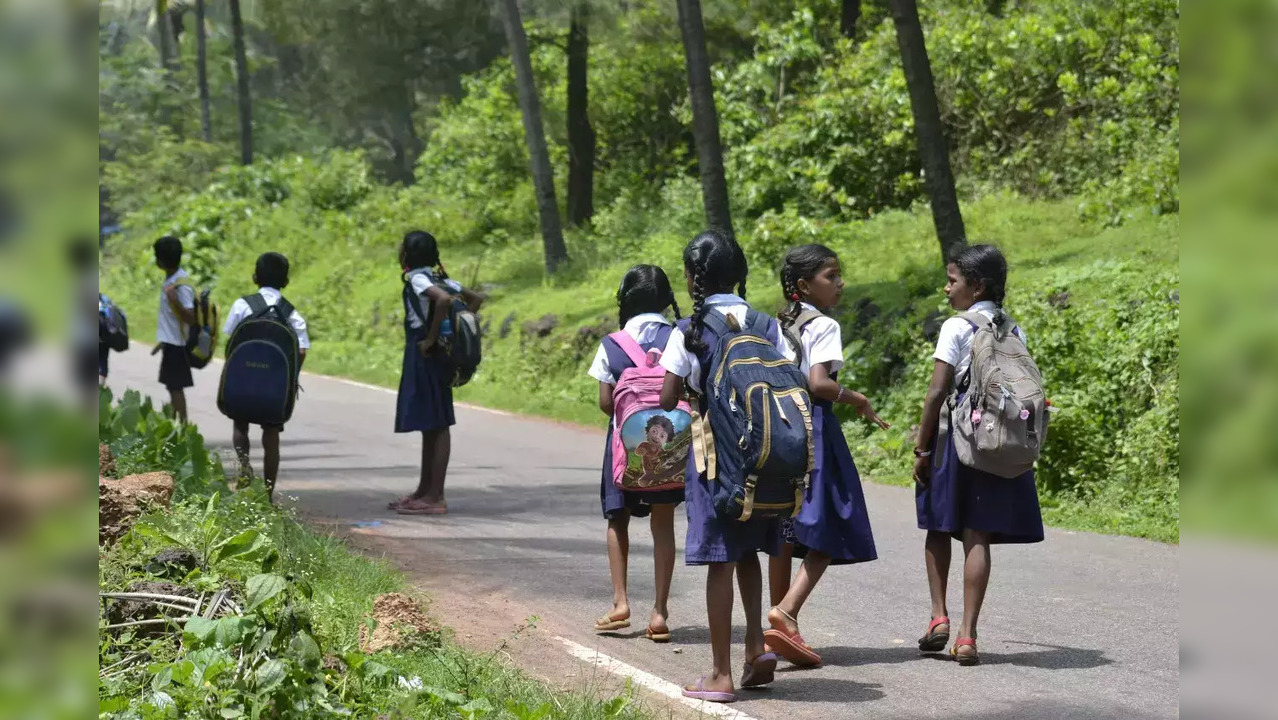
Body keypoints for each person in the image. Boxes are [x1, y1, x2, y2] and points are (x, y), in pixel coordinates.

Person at [658, 230, 793, 703]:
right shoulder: (765, 323)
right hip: (766, 456)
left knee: (720, 559)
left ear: (693, 278)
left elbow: (667, 396)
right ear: (740, 274)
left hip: (717, 458)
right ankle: (756, 648)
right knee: (751, 552)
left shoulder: (689, 330)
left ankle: (719, 674)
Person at [913, 244, 1045, 666]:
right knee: (978, 535)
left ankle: (938, 618)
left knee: (938, 526)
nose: (947, 288)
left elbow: (937, 392)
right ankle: (968, 636)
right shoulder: (1013, 329)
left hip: (955, 440)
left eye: (953, 280)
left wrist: (921, 446)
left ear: (976, 285)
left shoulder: (956, 326)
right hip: (995, 442)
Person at [764, 244, 889, 667]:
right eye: (831, 276)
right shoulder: (824, 325)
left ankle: (772, 628)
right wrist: (857, 398)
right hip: (816, 430)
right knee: (833, 521)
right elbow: (819, 383)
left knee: (784, 526)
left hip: (778, 431)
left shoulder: (774, 326)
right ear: (804, 285)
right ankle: (785, 610)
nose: (840, 283)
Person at [589, 264, 685, 643]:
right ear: (665, 299)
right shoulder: (677, 336)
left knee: (617, 519)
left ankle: (620, 604)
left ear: (625, 300)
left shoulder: (613, 343)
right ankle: (660, 613)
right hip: (670, 450)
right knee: (663, 524)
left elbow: (605, 403)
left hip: (622, 447)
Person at [388, 230, 483, 516]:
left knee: (438, 423)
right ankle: (424, 490)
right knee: (432, 423)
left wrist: (431, 338)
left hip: (426, 354)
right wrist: (452, 333)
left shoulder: (420, 278)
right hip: (440, 356)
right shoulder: (440, 276)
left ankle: (435, 496)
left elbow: (441, 301)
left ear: (407, 254)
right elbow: (475, 300)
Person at [221, 252, 310, 500]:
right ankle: (268, 494)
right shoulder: (291, 314)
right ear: (286, 281)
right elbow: (301, 350)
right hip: (275, 386)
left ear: (255, 276)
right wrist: (289, 378)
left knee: (240, 425)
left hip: (243, 379)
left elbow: (231, 338)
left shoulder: (243, 305)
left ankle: (244, 468)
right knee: (272, 434)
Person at [151, 236, 195, 423]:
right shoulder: (171, 280)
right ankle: (177, 424)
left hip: (178, 345)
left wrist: (174, 300)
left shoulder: (181, 285)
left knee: (175, 387)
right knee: (172, 386)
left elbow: (191, 318)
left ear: (160, 260)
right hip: (170, 343)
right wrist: (162, 342)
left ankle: (182, 427)